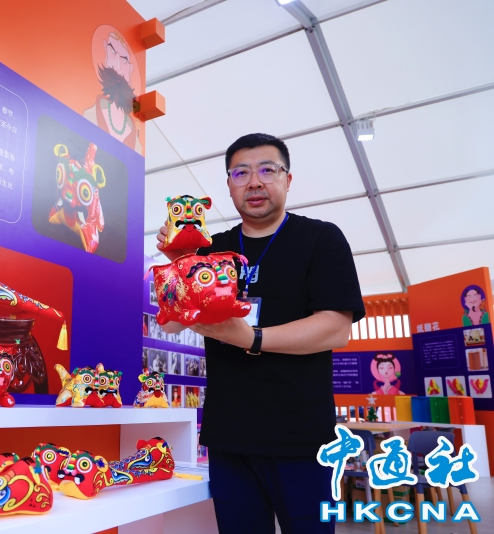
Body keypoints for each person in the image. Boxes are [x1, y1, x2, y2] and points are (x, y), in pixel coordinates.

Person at [156, 133, 365, 533]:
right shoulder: (209, 249)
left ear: (288, 179)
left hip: (303, 439)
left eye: (268, 170)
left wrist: (251, 337)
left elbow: (336, 329)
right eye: (241, 173)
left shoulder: (321, 239)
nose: (254, 182)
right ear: (228, 185)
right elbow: (171, 322)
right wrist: (179, 263)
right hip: (229, 438)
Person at [82, 31, 142, 153]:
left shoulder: (136, 141)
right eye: (113, 52)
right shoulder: (89, 116)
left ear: (130, 69)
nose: (117, 66)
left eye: (124, 59)